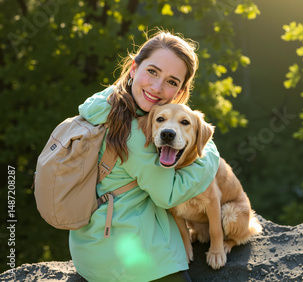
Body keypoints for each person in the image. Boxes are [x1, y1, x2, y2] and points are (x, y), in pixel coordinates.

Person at [69, 30, 220, 282]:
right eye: (152, 71)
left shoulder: (106, 103)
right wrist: (209, 150)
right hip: (131, 261)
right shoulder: (134, 131)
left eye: (172, 81)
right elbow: (168, 195)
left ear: (180, 91)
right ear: (133, 68)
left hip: (90, 246)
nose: (157, 87)